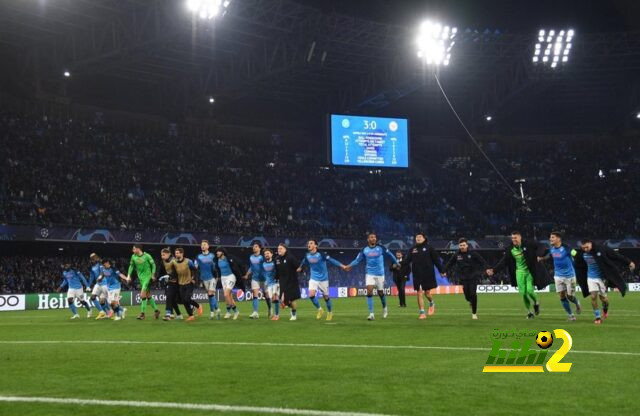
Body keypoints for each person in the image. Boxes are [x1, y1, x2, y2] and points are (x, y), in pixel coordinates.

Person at [487, 231, 552, 319]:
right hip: (519, 273)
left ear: (520, 237)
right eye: (512, 238)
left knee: (529, 290)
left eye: (515, 238)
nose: (514, 240)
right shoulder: (510, 249)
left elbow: (542, 246)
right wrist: (494, 270)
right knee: (524, 294)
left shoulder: (528, 243)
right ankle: (529, 313)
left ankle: (536, 303)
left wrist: (538, 254)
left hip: (529, 271)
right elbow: (504, 261)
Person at [572, 239, 635, 324]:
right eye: (583, 248)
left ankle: (605, 310)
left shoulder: (601, 249)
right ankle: (597, 317)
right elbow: (576, 260)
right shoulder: (582, 253)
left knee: (604, 299)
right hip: (591, 278)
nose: (586, 249)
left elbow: (616, 255)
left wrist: (629, 262)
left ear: (591, 243)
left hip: (602, 278)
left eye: (587, 247)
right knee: (593, 297)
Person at [345, 233, 399, 320]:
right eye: (371, 237)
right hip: (369, 273)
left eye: (374, 237)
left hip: (380, 274)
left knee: (380, 293)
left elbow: (390, 255)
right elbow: (357, 260)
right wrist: (349, 265)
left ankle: (385, 308)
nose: (373, 239)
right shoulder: (364, 250)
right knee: (369, 291)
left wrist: (397, 262)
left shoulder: (381, 248)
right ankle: (371, 314)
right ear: (368, 239)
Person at [297, 239, 347, 321]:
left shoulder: (321, 254)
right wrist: (300, 267)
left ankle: (330, 312)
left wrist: (342, 266)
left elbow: (331, 260)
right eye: (308, 243)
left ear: (315, 245)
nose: (308, 244)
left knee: (326, 297)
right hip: (313, 278)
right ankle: (320, 309)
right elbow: (304, 261)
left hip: (323, 279)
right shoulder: (307, 255)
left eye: (311, 243)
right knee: (311, 295)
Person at [537, 232, 581, 321]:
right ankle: (571, 315)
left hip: (570, 276)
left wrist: (578, 262)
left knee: (570, 296)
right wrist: (542, 258)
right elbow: (549, 255)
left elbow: (576, 254)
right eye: (550, 237)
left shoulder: (566, 248)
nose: (550, 239)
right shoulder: (551, 248)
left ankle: (577, 303)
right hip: (558, 275)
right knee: (561, 296)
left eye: (552, 237)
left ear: (558, 239)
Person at [401, 233, 444, 319]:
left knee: (427, 293)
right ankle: (422, 313)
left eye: (420, 237)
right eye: (416, 237)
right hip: (417, 274)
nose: (418, 238)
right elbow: (407, 261)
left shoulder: (429, 248)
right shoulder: (412, 249)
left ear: (424, 238)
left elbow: (436, 260)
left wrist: (441, 271)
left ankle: (431, 302)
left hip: (428, 273)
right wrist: (399, 264)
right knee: (419, 292)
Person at [443, 238, 487, 320]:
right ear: (459, 246)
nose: (462, 247)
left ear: (467, 245)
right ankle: (470, 301)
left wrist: (485, 269)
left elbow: (482, 261)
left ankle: (474, 313)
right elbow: (450, 263)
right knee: (467, 296)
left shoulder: (473, 253)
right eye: (460, 245)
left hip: (473, 277)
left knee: (473, 294)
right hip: (463, 278)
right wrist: (444, 270)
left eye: (464, 245)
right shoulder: (456, 255)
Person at [126, 244, 160, 320]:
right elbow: (131, 266)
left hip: (147, 277)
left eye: (134, 249)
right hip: (141, 278)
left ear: (138, 249)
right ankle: (156, 310)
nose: (133, 250)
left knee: (142, 295)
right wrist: (128, 275)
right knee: (147, 295)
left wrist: (153, 275)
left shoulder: (147, 256)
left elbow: (153, 265)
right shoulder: (133, 256)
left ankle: (142, 314)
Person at [215, 247, 244, 320]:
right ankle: (228, 312)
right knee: (228, 296)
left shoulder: (228, 258)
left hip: (231, 277)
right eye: (216, 252)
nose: (217, 253)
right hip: (223, 278)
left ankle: (236, 311)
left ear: (223, 252)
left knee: (226, 294)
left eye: (218, 251)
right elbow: (218, 270)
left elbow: (238, 264)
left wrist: (241, 273)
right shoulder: (217, 260)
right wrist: (217, 277)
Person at [244, 242, 270, 319]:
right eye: (253, 246)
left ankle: (269, 308)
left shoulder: (262, 257)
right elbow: (251, 267)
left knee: (266, 295)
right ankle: (255, 312)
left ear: (259, 248)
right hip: (255, 278)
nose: (254, 248)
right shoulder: (251, 257)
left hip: (264, 279)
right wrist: (247, 274)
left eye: (256, 246)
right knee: (255, 294)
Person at [195, 240, 220, 319]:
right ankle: (217, 309)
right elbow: (196, 266)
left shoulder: (212, 256)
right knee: (210, 296)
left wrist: (217, 276)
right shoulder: (198, 257)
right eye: (202, 245)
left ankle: (212, 312)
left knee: (210, 294)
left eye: (204, 244)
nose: (202, 246)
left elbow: (216, 267)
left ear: (208, 246)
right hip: (204, 278)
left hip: (212, 278)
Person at [275, 243, 300, 321]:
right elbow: (277, 271)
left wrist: (300, 270)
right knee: (283, 301)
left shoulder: (290, 257)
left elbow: (298, 266)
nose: (279, 250)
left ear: (285, 249)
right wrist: (276, 278)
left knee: (292, 299)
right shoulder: (277, 259)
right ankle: (288, 306)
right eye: (278, 248)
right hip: (282, 282)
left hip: (292, 281)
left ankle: (294, 315)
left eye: (281, 248)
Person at [173, 247, 199, 322]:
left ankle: (197, 306)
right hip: (180, 283)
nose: (176, 254)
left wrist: (193, 278)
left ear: (182, 254)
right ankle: (191, 315)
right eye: (175, 253)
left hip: (189, 283)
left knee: (187, 299)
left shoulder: (188, 261)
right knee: (184, 301)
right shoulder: (174, 262)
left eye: (177, 253)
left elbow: (195, 270)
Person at [159, 248, 182, 321]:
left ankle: (190, 306)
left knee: (179, 299)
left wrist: (169, 276)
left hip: (178, 282)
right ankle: (171, 314)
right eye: (161, 255)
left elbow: (178, 272)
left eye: (163, 255)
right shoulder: (163, 262)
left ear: (168, 254)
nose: (162, 256)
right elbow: (161, 272)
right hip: (170, 282)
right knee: (170, 298)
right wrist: (161, 277)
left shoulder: (174, 261)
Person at [88, 253, 110, 320]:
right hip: (98, 284)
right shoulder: (92, 266)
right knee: (93, 297)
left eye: (94, 257)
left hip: (105, 283)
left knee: (108, 301)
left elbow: (103, 271)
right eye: (92, 258)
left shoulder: (100, 263)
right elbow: (92, 276)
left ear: (96, 257)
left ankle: (118, 310)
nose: (93, 259)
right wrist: (88, 285)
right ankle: (101, 312)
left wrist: (100, 276)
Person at [261, 248, 280, 321]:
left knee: (275, 298)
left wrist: (278, 278)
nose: (266, 255)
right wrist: (266, 281)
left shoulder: (275, 262)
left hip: (276, 282)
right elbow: (265, 273)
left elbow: (279, 270)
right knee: (273, 299)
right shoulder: (264, 264)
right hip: (269, 284)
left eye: (268, 253)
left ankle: (276, 315)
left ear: (271, 254)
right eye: (265, 254)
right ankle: (284, 303)